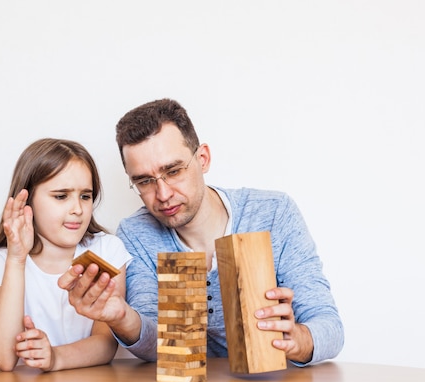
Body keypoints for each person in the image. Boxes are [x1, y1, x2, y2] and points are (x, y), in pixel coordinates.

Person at [59, 99, 344, 365]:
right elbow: (160, 346)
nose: (163, 193)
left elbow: (329, 326)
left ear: (203, 158)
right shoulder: (136, 233)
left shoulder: (272, 213)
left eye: (173, 171)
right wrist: (122, 317)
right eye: (145, 181)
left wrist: (299, 339)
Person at [0, 138, 132, 372]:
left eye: (85, 196)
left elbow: (106, 343)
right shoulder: (1, 263)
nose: (77, 209)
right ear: (28, 200)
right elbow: (2, 358)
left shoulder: (108, 250)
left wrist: (55, 357)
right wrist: (17, 259)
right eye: (61, 196)